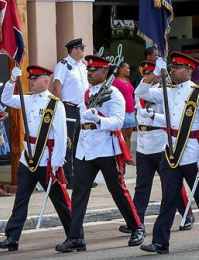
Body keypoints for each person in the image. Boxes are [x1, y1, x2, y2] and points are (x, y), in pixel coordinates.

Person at [137, 52, 199, 254]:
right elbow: (141, 92)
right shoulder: (167, 91)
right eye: (172, 67)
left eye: (177, 67)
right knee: (168, 197)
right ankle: (160, 242)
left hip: (192, 152)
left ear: (188, 71)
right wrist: (154, 73)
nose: (172, 70)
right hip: (171, 151)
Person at [55, 55, 144, 253]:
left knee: (117, 190)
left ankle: (137, 227)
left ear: (105, 73)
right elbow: (82, 119)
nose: (90, 73)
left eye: (94, 70)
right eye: (88, 70)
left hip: (106, 148)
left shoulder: (113, 93)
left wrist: (98, 119)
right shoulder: (87, 93)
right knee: (79, 194)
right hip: (86, 149)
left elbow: (118, 122)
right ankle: (75, 237)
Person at [0, 65, 71, 251]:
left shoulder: (55, 104)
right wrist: (12, 81)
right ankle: (12, 237)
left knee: (60, 200)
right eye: (30, 79)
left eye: (35, 79)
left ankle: (75, 235)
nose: (31, 82)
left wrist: (57, 163)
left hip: (46, 160)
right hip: (27, 158)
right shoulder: (26, 99)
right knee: (20, 199)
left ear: (46, 81)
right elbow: (6, 99)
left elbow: (61, 136)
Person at [117, 60, 195, 236]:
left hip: (160, 141)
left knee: (170, 183)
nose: (147, 77)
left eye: (151, 74)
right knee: (142, 186)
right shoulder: (142, 92)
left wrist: (154, 116)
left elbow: (171, 118)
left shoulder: (165, 92)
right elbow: (139, 98)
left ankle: (187, 213)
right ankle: (136, 221)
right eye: (145, 74)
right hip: (144, 143)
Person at [53, 38, 89, 186]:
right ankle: (69, 177)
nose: (83, 51)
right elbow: (57, 88)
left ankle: (80, 176)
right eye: (81, 48)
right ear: (74, 49)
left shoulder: (83, 65)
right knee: (68, 144)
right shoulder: (63, 65)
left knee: (81, 144)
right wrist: (60, 109)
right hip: (69, 108)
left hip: (83, 109)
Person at [112, 62, 136, 154]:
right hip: (122, 112)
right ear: (121, 70)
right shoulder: (115, 82)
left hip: (131, 111)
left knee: (128, 137)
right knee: (121, 136)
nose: (129, 70)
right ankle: (121, 156)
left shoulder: (127, 80)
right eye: (127, 68)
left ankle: (127, 156)